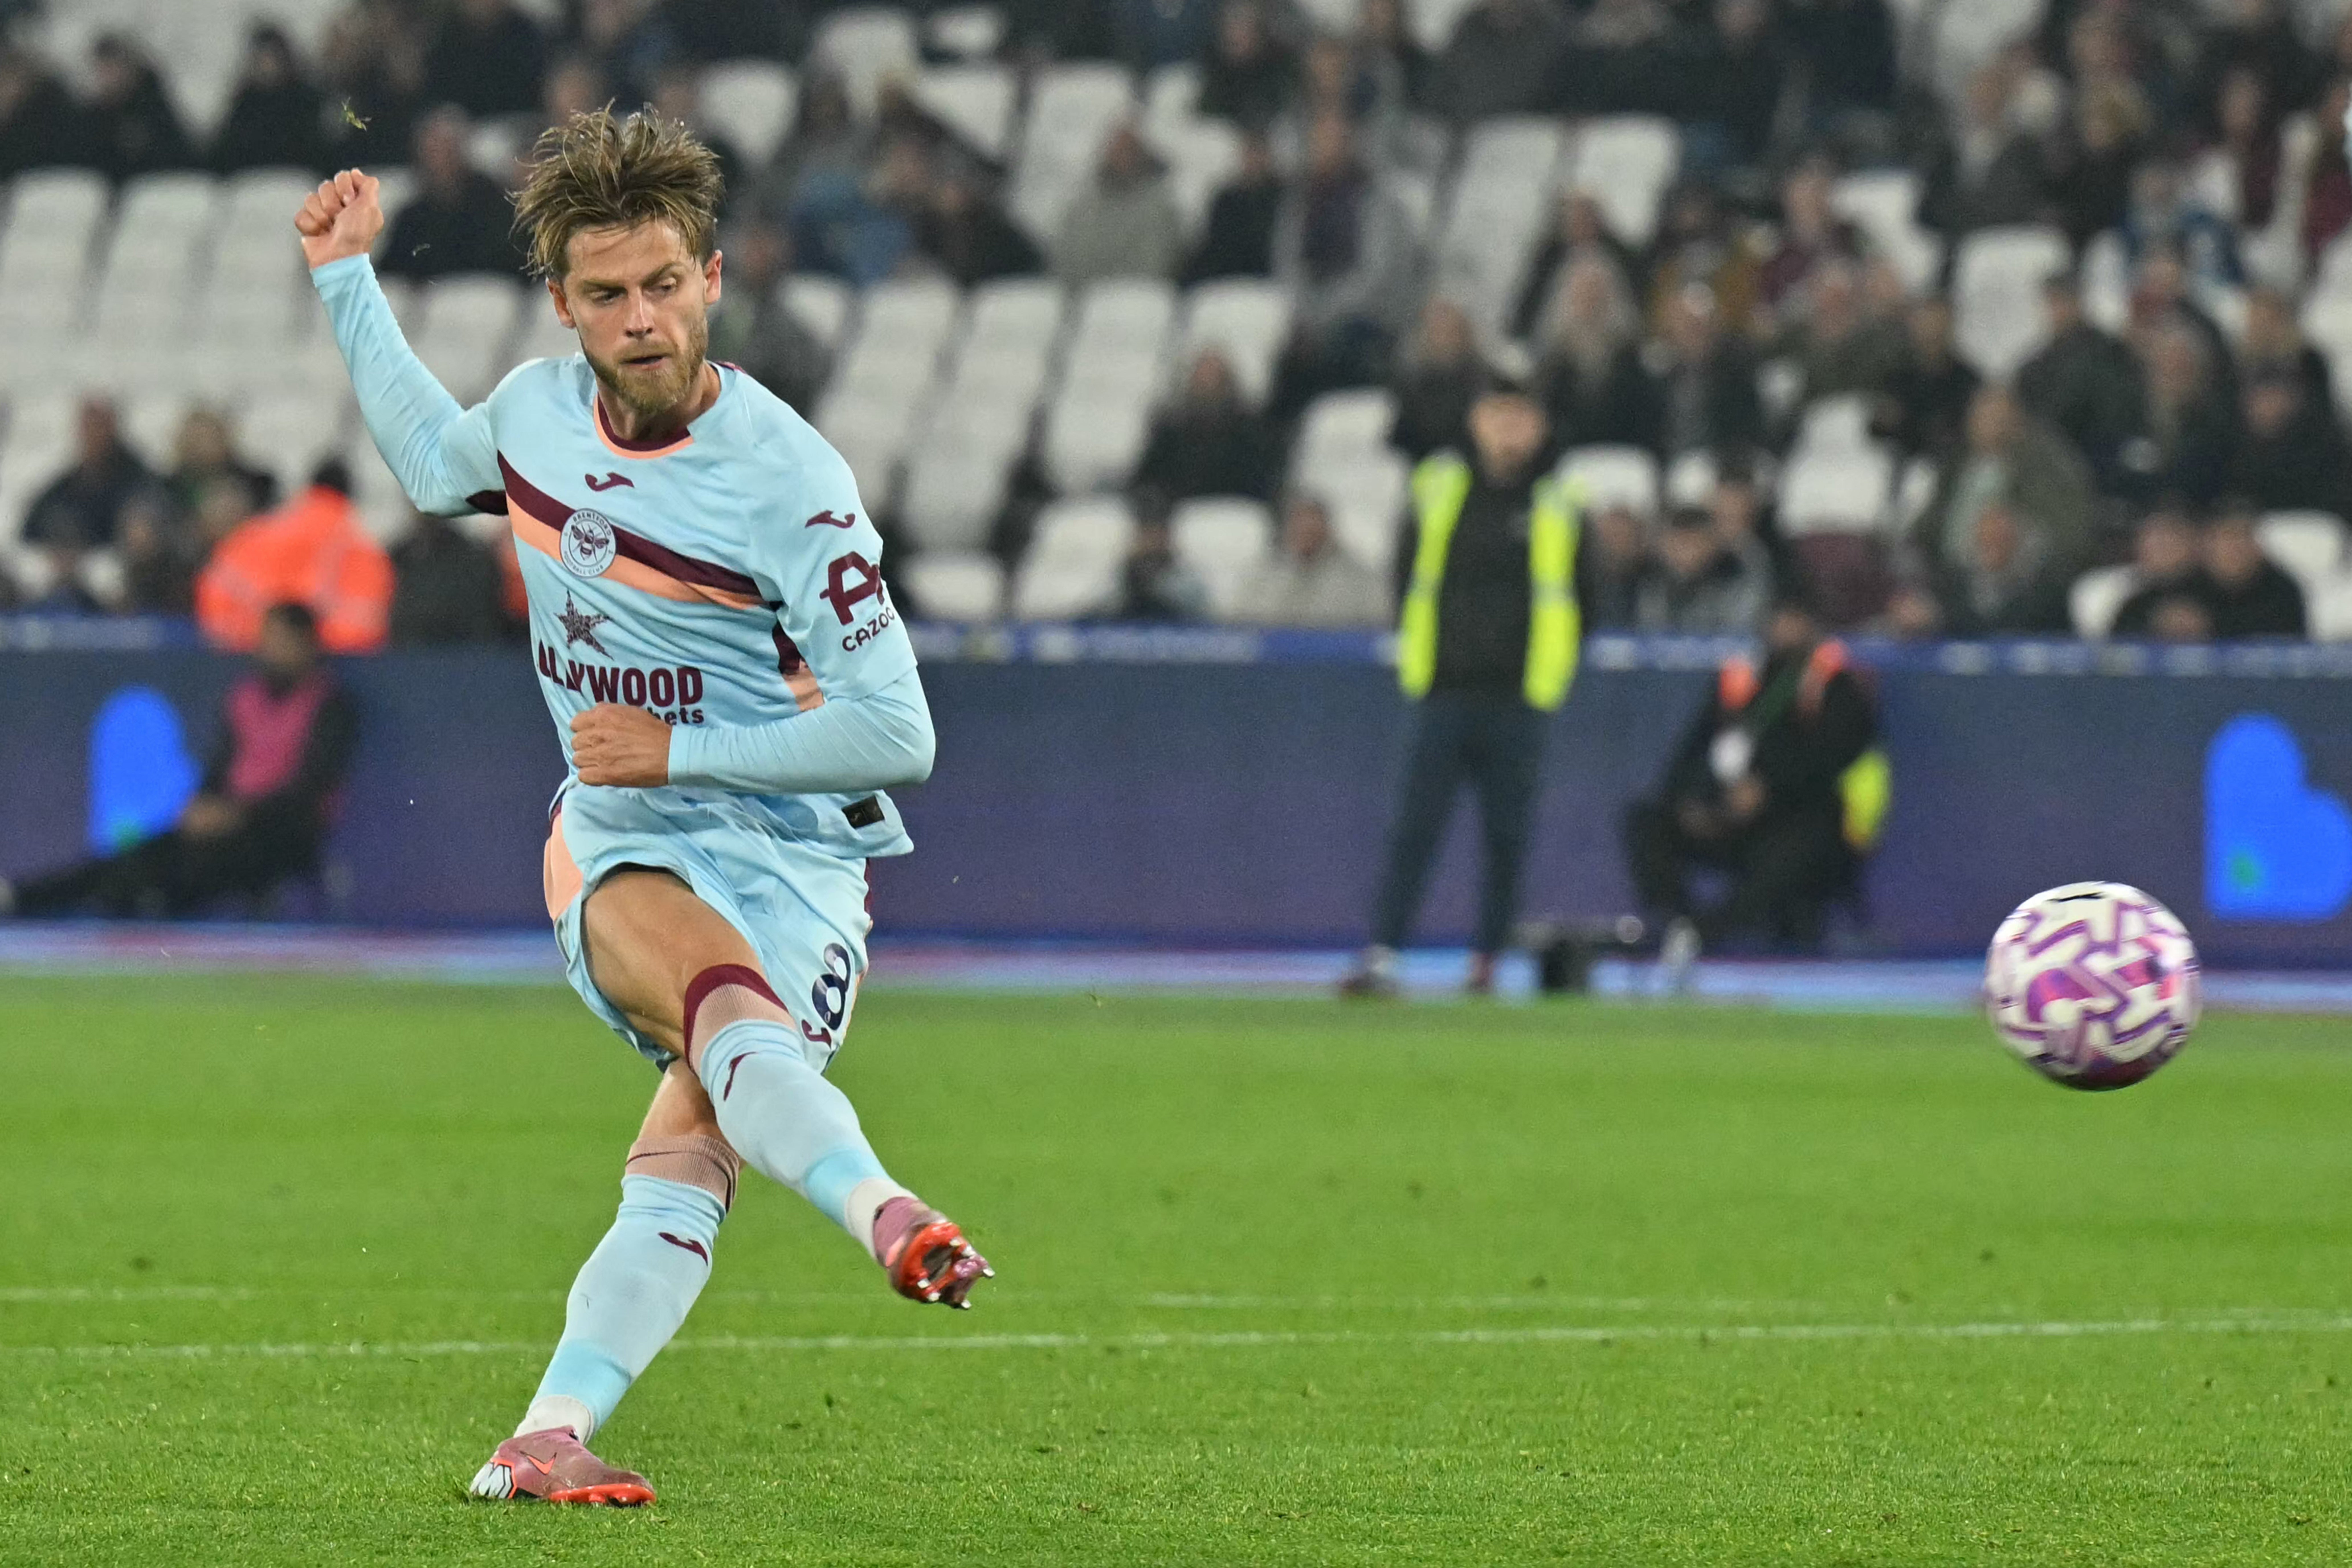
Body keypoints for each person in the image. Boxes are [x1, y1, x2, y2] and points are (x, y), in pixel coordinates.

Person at [295, 107, 988, 1505]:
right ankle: (885, 1208)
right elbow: (442, 470)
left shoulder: (790, 481)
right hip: (619, 837)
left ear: (713, 279)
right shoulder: (542, 413)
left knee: (688, 1150)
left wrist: (677, 746)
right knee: (716, 998)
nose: (641, 317)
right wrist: (346, 281)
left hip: (799, 859)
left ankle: (544, 1432)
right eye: (606, 294)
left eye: (664, 284)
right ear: (564, 305)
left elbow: (898, 731)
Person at [1340, 377, 1582, 998]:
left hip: (1518, 699)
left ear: (1540, 427)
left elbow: (1585, 598)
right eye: (1498, 413)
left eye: (1521, 416)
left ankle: (1486, 963)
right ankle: (1384, 954)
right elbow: (1408, 578)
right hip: (1445, 691)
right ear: (1476, 420)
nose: (1509, 429)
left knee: (1506, 838)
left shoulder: (1558, 503)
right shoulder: (1438, 488)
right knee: (1413, 830)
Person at [0, 603, 357, 918]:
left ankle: (147, 905)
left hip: (282, 832)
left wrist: (236, 814)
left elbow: (310, 787)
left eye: (282, 640)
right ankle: (20, 896)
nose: (270, 650)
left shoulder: (329, 704)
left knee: (189, 871)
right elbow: (222, 766)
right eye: (267, 638)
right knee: (136, 857)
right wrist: (202, 804)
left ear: (307, 644)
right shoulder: (245, 697)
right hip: (227, 821)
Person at [1622, 595, 1884, 954]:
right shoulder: (1742, 677)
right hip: (1730, 818)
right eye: (1779, 619)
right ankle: (1677, 923)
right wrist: (1696, 801)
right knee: (1647, 821)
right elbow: (1695, 751)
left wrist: (1768, 789)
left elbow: (1832, 758)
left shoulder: (1836, 684)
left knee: (1807, 841)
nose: (1786, 630)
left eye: (1796, 620)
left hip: (1794, 821)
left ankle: (1709, 932)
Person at [195, 458, 395, 654]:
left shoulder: (256, 533)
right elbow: (370, 624)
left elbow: (216, 589)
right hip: (333, 666)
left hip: (246, 658)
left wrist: (255, 639)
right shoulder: (365, 550)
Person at [379, 107, 527, 281]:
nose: (441, 159)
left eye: (448, 148)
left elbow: (513, 261)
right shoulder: (412, 216)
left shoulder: (496, 204)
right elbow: (392, 270)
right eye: (434, 151)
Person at [1231, 493, 1389, 626]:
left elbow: (1378, 625)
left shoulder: (1359, 580)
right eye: (1299, 525)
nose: (1306, 532)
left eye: (1312, 526)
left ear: (1327, 529)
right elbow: (1239, 624)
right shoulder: (1263, 574)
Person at [1053, 124, 1184, 285]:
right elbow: (1070, 259)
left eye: (1129, 151)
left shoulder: (1160, 209)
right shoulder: (1084, 208)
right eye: (1117, 150)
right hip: (1088, 296)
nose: (1122, 157)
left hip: (1138, 298)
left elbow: (1156, 264)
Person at [212, 24, 330, 173]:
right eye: (261, 58)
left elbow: (317, 152)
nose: (267, 65)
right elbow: (224, 154)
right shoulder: (245, 105)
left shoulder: (305, 103)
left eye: (271, 58)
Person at [390, 510, 511, 644]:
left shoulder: (475, 558)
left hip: (470, 652)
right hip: (415, 653)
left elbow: (484, 625)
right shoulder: (403, 556)